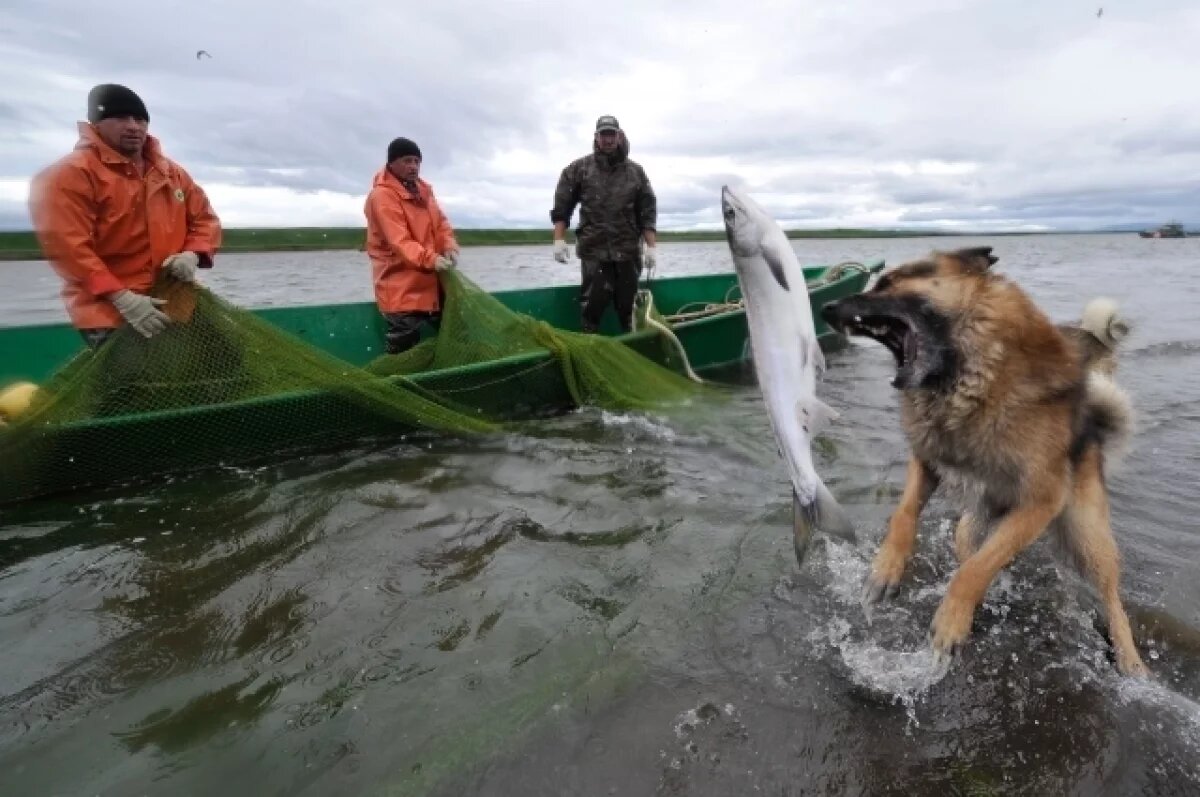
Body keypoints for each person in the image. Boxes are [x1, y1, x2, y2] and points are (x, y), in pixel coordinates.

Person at [28, 83, 223, 348]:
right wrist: (122, 298)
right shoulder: (71, 174)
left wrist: (193, 253)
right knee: (139, 385)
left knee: (227, 358)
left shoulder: (172, 173)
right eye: (120, 118)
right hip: (111, 313)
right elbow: (69, 248)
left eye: (140, 119)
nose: (134, 126)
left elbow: (204, 220)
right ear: (96, 124)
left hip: (175, 304)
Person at [549, 115, 657, 333]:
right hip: (594, 252)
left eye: (612, 134)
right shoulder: (578, 169)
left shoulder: (636, 172)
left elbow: (647, 211)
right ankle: (591, 342)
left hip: (627, 252)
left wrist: (651, 247)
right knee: (591, 307)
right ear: (596, 137)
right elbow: (562, 207)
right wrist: (559, 240)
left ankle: (632, 343)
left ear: (619, 136)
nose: (608, 140)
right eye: (603, 134)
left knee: (628, 308)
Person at [363, 137, 460, 354]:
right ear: (392, 163)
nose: (413, 167)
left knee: (457, 331)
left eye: (417, 161)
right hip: (400, 289)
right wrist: (432, 259)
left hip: (432, 286)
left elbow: (441, 223)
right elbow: (399, 241)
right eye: (407, 161)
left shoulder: (425, 190)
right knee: (403, 350)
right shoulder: (382, 196)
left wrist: (449, 245)